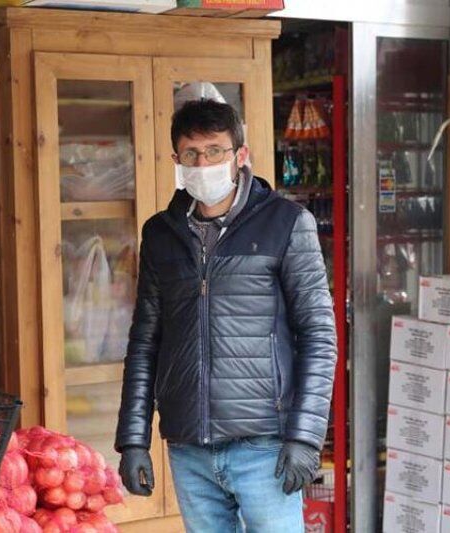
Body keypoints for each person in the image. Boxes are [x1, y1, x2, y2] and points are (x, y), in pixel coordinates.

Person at [115, 99, 337, 533]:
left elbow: (318, 335)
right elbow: (145, 342)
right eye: (192, 154)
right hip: (189, 448)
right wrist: (133, 439)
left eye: (215, 150)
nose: (204, 163)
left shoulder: (287, 223)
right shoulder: (160, 234)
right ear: (177, 161)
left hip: (265, 446)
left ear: (240, 155)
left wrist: (306, 436)